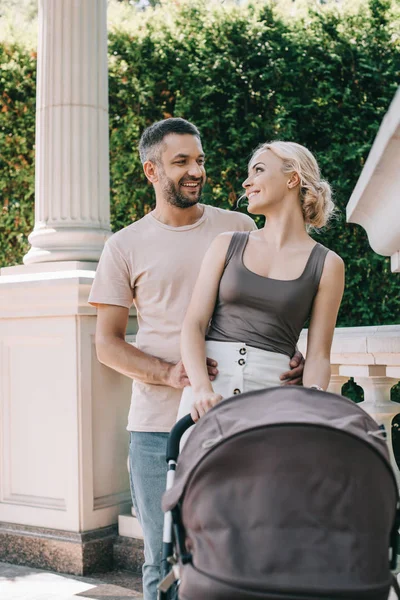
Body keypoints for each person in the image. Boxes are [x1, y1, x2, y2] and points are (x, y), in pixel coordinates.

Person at [88, 119, 304, 600]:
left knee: (239, 554)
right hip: (156, 427)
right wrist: (169, 372)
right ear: (151, 170)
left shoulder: (239, 227)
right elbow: (107, 343)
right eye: (181, 161)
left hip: (235, 417)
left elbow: (271, 305)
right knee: (162, 560)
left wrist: (292, 353)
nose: (195, 171)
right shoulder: (123, 246)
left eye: (199, 160)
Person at [178, 141, 345, 424]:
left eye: (258, 170)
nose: (246, 182)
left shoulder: (328, 264)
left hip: (275, 402)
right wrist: (202, 390)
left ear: (293, 178)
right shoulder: (226, 245)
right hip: (207, 400)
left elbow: (318, 355)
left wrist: (313, 400)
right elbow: (193, 324)